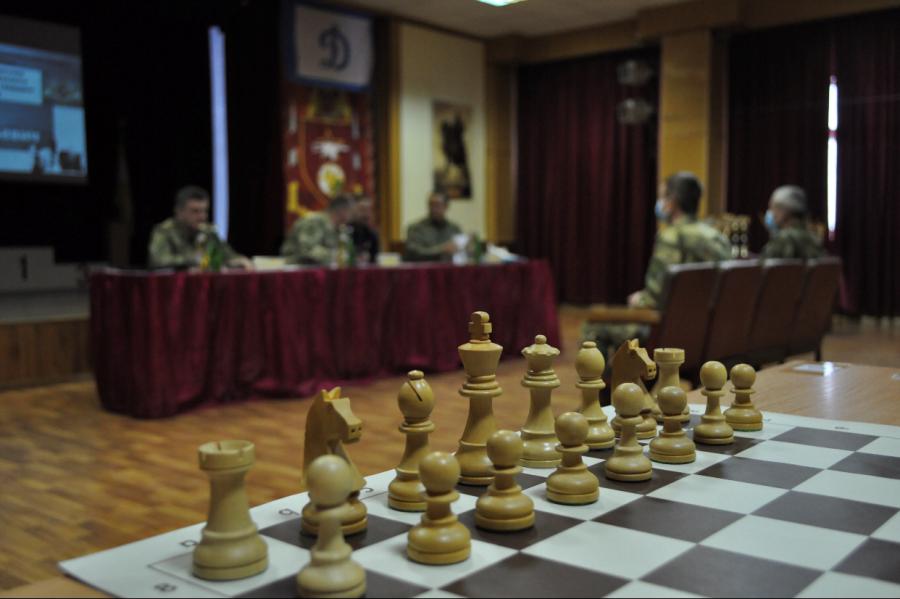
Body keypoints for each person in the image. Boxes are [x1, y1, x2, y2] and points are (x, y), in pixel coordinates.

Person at [583, 172, 732, 354]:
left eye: (662, 197)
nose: (660, 203)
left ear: (672, 202)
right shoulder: (717, 237)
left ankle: (610, 374)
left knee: (593, 326)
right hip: (708, 336)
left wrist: (639, 299)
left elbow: (656, 296)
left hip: (667, 334)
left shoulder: (671, 237)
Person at [148, 185, 251, 270]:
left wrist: (239, 260)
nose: (202, 217)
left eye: (204, 211)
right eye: (195, 211)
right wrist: (194, 260)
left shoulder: (208, 232)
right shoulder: (164, 231)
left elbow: (229, 255)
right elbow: (158, 261)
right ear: (179, 211)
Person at [281, 194, 355, 265]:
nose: (353, 216)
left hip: (317, 269)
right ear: (343, 210)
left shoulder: (337, 228)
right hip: (297, 268)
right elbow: (308, 249)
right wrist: (336, 256)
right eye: (352, 211)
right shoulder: (314, 221)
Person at [760, 185, 826, 260]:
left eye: (773, 207)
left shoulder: (781, 240)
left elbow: (762, 265)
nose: (771, 213)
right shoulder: (813, 238)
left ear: (784, 210)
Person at [404, 192, 462, 262]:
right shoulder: (416, 228)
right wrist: (441, 250)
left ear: (446, 206)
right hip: (424, 267)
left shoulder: (454, 229)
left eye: (437, 205)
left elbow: (461, 252)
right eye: (431, 204)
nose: (433, 209)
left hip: (449, 267)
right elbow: (413, 253)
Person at [350, 196, 380, 264]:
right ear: (354, 211)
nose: (366, 214)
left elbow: (375, 259)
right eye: (362, 209)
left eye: (369, 210)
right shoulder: (346, 231)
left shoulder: (372, 234)